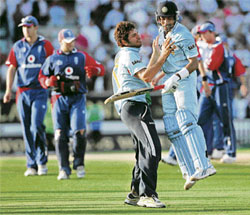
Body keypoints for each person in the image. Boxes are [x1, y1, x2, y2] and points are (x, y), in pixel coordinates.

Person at [153, 1, 216, 190]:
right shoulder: (160, 35)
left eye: (169, 18)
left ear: (176, 17)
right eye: (163, 18)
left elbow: (194, 63)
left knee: (186, 120)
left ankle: (204, 165)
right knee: (172, 127)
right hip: (169, 81)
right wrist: (158, 77)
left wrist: (178, 76)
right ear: (158, 18)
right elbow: (169, 62)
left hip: (185, 80)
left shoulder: (184, 34)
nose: (166, 21)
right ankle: (189, 171)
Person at [112, 21, 175, 208]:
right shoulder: (128, 54)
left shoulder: (126, 54)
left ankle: (134, 193)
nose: (138, 36)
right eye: (133, 35)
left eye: (137, 33)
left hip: (132, 106)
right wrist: (163, 56)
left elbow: (147, 77)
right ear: (124, 41)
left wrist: (157, 54)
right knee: (153, 150)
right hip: (134, 106)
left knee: (143, 151)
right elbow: (147, 77)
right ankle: (147, 195)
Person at [39, 29, 105, 180]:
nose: (71, 45)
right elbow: (42, 77)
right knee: (60, 133)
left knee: (79, 131)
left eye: (72, 42)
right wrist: (48, 82)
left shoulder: (81, 56)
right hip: (59, 98)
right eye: (67, 42)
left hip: (77, 97)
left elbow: (101, 69)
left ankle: (79, 163)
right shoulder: (53, 58)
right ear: (60, 41)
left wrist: (94, 70)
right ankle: (63, 168)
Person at [3, 15, 54, 176]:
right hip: (22, 91)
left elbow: (53, 64)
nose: (26, 29)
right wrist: (7, 90)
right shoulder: (17, 46)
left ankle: (42, 160)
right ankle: (31, 164)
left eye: (29, 26)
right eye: (24, 27)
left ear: (36, 27)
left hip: (40, 90)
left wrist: (52, 83)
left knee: (36, 125)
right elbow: (11, 68)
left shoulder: (45, 45)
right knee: (26, 128)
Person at [197, 24, 248, 163]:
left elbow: (211, 65)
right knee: (201, 118)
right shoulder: (204, 46)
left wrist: (243, 85)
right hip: (208, 86)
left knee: (225, 119)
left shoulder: (221, 49)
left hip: (221, 86)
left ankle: (230, 151)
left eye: (204, 33)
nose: (202, 36)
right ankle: (204, 150)